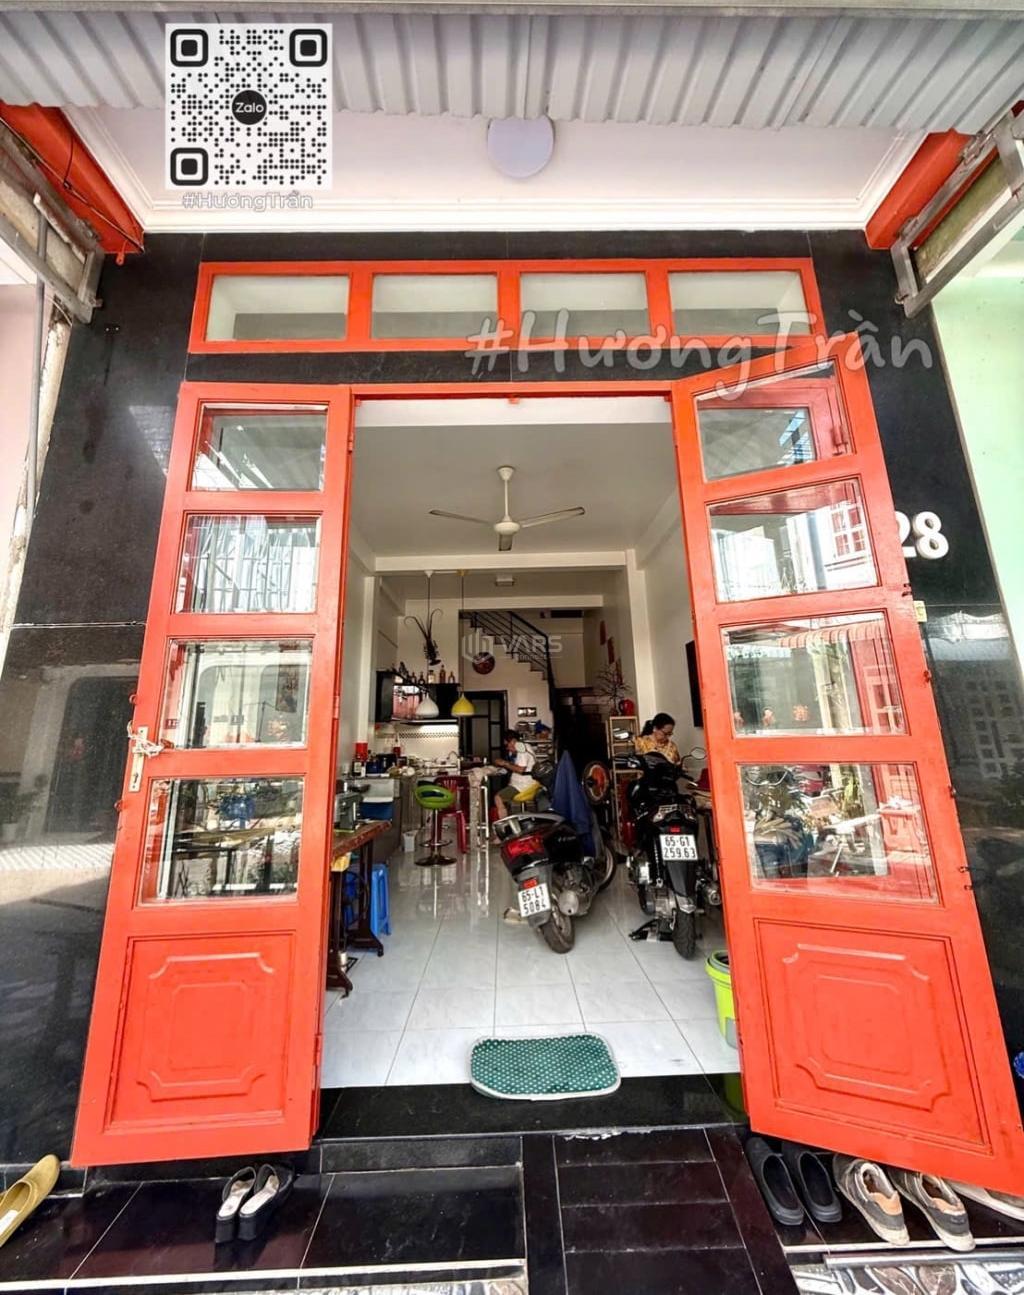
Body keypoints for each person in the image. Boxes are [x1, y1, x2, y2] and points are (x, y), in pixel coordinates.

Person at [492, 728, 538, 818]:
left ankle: (503, 823)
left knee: (498, 797)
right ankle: (508, 818)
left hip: (523, 785)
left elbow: (520, 770)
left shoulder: (522, 751)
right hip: (522, 783)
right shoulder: (524, 747)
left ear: (513, 741)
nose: (507, 748)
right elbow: (518, 766)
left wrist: (504, 763)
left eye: (507, 745)